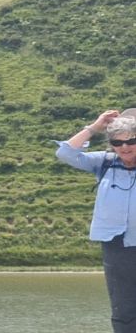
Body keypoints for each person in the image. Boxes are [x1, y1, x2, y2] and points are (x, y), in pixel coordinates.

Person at [58, 109, 136, 332]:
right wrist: (95, 127)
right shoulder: (104, 162)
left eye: (132, 140)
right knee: (123, 307)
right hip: (117, 245)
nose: (125, 147)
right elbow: (65, 153)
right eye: (118, 142)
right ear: (111, 143)